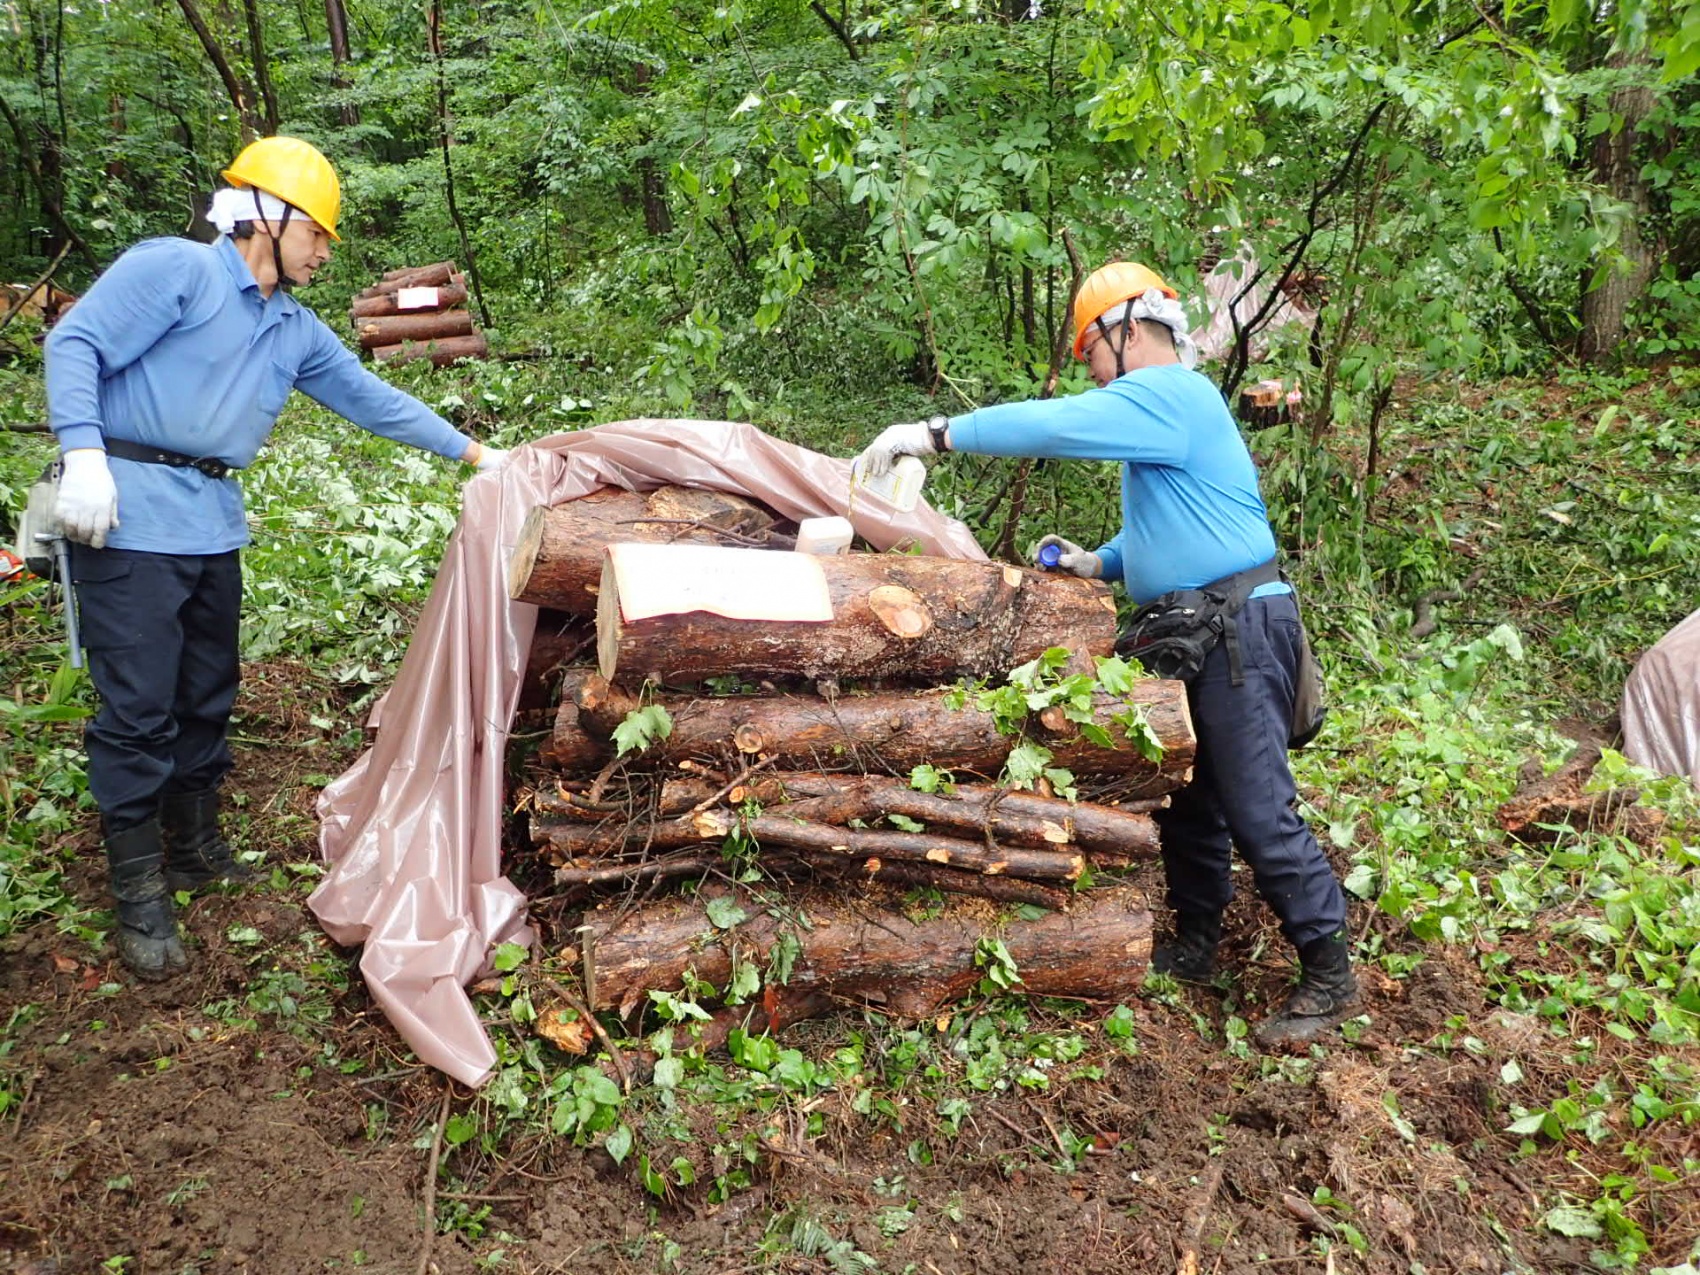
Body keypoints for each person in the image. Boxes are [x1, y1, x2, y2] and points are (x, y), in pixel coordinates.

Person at [853, 260, 1358, 1046]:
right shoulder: (1165, 415)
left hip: (1237, 629)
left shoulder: (1175, 392)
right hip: (1200, 627)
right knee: (1193, 796)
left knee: (1257, 805)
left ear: (1127, 330)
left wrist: (938, 433)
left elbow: (1060, 425)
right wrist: (1102, 561)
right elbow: (1176, 523)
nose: (1089, 366)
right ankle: (1196, 944)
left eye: (1090, 347)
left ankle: (1329, 971)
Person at [45, 136, 511, 982]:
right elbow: (74, 346)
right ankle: (139, 883)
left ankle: (194, 843)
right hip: (131, 517)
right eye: (319, 235)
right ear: (270, 215)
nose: (327, 251)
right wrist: (82, 453)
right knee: (138, 705)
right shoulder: (177, 272)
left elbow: (372, 399)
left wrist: (478, 456)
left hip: (211, 524)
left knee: (205, 690)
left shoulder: (291, 328)